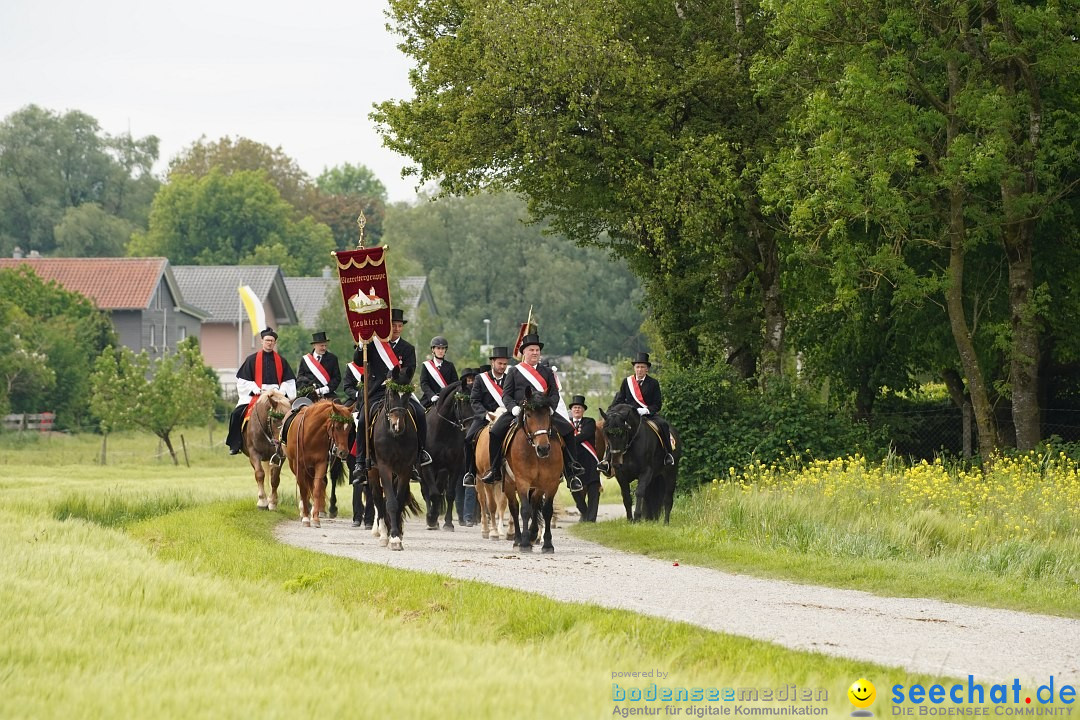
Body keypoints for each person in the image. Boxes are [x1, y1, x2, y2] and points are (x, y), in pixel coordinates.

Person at [480, 333, 584, 492]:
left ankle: (572, 471)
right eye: (531, 350)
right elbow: (506, 395)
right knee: (495, 432)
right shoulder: (514, 371)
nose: (535, 352)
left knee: (569, 431)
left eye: (537, 350)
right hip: (520, 411)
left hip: (543, 412)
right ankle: (494, 470)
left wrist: (551, 407)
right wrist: (513, 408)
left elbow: (554, 393)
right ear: (524, 353)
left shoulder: (547, 372)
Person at [350, 308, 430, 482]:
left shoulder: (408, 348)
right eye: (393, 325)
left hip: (399, 392)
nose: (397, 328)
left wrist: (395, 379)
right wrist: (361, 343)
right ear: (387, 326)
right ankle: (360, 463)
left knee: (421, 413)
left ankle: (419, 455)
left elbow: (410, 370)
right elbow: (357, 361)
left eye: (400, 325)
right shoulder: (373, 344)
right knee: (363, 420)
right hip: (376, 392)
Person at [599, 351, 674, 472]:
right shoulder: (627, 382)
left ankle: (667, 454)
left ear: (647, 369)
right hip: (629, 417)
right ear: (634, 368)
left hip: (647, 415)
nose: (639, 370)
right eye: (637, 367)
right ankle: (607, 460)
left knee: (664, 425)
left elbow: (657, 404)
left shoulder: (653, 383)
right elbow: (619, 399)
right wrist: (612, 412)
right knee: (613, 430)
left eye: (642, 367)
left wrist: (646, 410)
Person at [225, 327, 297, 454]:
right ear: (262, 341)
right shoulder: (251, 360)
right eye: (267, 340)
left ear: (275, 343)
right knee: (236, 414)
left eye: (272, 341)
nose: (269, 343)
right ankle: (236, 444)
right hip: (257, 394)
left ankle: (291, 442)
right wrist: (255, 389)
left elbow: (289, 381)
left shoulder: (281, 361)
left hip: (277, 395)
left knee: (292, 415)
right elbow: (243, 381)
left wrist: (282, 390)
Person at [462, 348, 511, 488]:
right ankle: (470, 473)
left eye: (505, 364)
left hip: (506, 416)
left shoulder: (510, 378)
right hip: (485, 417)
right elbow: (475, 401)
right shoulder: (480, 379)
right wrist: (485, 414)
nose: (502, 367)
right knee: (468, 439)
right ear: (492, 362)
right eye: (500, 363)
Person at [567, 395, 602, 521]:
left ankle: (591, 519)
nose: (577, 409)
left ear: (583, 410)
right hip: (573, 462)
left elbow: (585, 435)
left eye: (579, 408)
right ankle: (585, 513)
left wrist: (569, 440)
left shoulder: (589, 422)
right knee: (575, 491)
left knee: (593, 490)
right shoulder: (566, 423)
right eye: (575, 407)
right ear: (571, 410)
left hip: (589, 461)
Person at [295, 330, 342, 401]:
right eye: (321, 345)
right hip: (308, 393)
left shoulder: (333, 358)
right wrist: (307, 388)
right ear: (314, 345)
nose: (324, 348)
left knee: (339, 409)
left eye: (325, 345)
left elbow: (336, 378)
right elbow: (300, 377)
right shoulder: (305, 359)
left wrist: (325, 389)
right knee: (295, 408)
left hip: (327, 393)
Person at [419, 335, 459, 408]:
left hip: (447, 400)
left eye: (443, 348)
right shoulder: (426, 365)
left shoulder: (450, 366)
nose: (440, 351)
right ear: (433, 349)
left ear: (445, 350)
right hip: (429, 399)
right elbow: (424, 383)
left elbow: (455, 383)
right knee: (418, 414)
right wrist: (432, 396)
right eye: (438, 348)